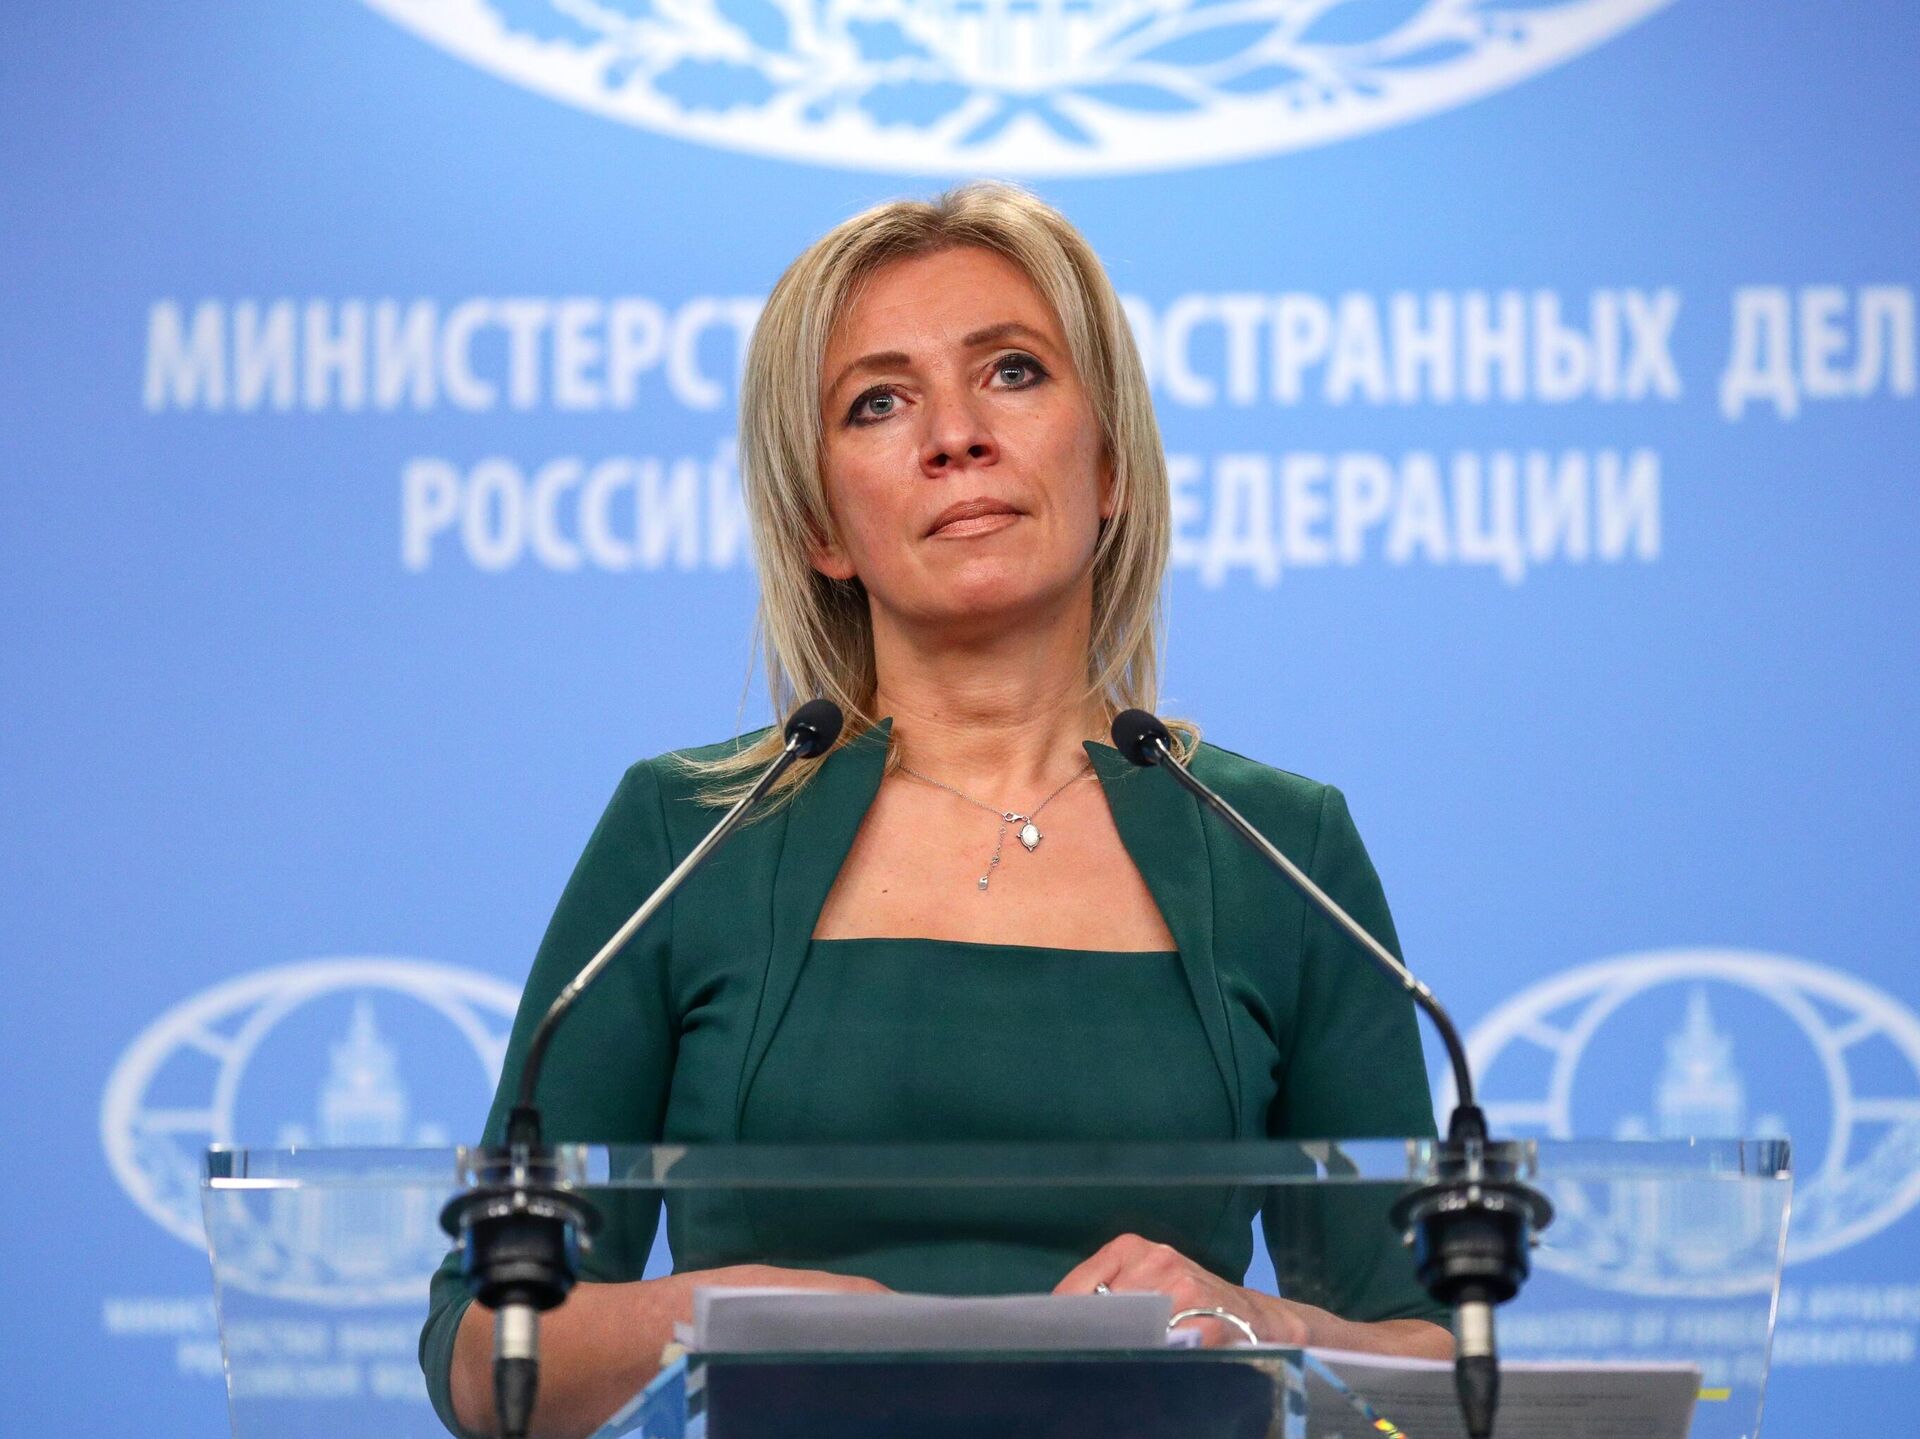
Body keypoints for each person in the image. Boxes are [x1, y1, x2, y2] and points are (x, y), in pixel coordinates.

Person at [421, 182, 1448, 1439]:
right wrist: (716, 1313)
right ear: (821, 524)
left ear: (1111, 462)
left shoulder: (1280, 847)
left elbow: (1435, 1368)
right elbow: (480, 1348)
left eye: (1013, 372)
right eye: (879, 401)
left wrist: (1255, 1319)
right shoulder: (686, 834)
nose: (956, 436)